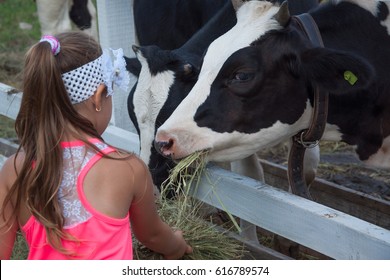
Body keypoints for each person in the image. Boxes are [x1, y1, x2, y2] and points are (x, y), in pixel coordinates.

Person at [0, 32, 192, 260]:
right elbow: (152, 235)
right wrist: (177, 246)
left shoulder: (15, 169)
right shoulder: (127, 168)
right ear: (99, 97)